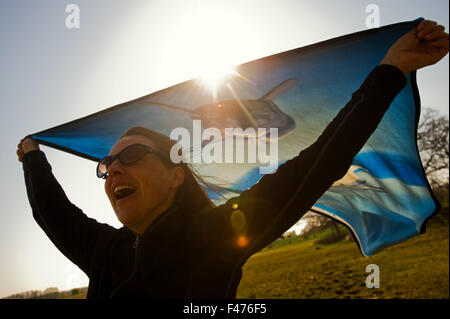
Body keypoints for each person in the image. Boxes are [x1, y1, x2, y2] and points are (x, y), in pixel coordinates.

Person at [17, 20, 448, 298]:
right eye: (106, 166)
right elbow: (52, 213)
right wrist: (32, 158)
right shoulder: (101, 249)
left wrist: (391, 68)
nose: (115, 169)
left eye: (130, 155)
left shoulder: (215, 237)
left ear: (175, 176)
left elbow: (322, 158)